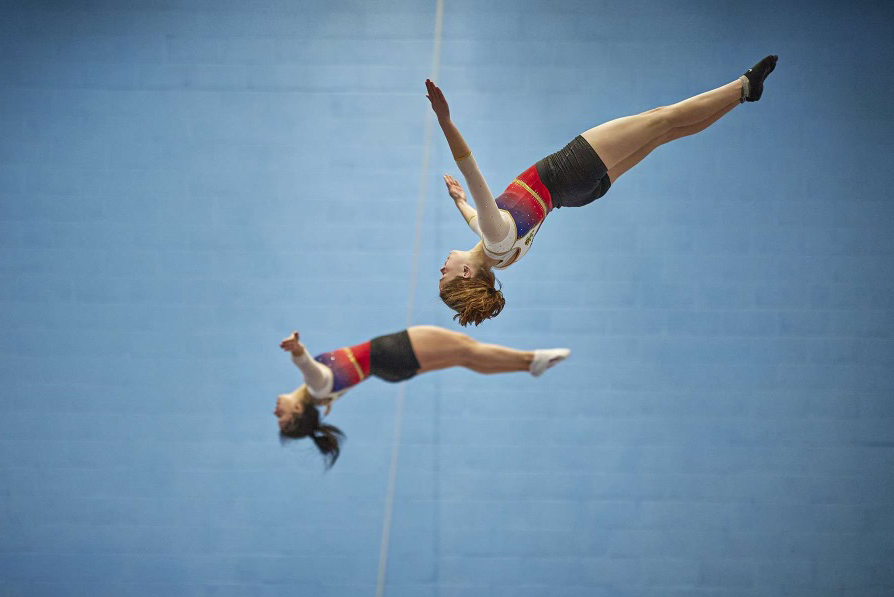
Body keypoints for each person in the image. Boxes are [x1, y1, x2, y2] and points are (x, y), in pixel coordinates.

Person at [431, 55, 779, 326]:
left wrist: (459, 201)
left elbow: (478, 221)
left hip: (577, 194)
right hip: (569, 170)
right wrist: (446, 121)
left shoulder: (499, 257)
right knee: (661, 119)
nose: (442, 268)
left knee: (665, 134)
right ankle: (742, 84)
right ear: (465, 274)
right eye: (444, 276)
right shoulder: (494, 236)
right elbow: (469, 167)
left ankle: (744, 95)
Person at [275, 327, 570, 467]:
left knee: (465, 357)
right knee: (466, 347)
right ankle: (531, 358)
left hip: (390, 368)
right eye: (284, 419)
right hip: (389, 351)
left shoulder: (320, 397)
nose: (277, 412)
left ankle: (530, 364)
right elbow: (310, 368)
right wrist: (297, 351)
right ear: (299, 410)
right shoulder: (317, 388)